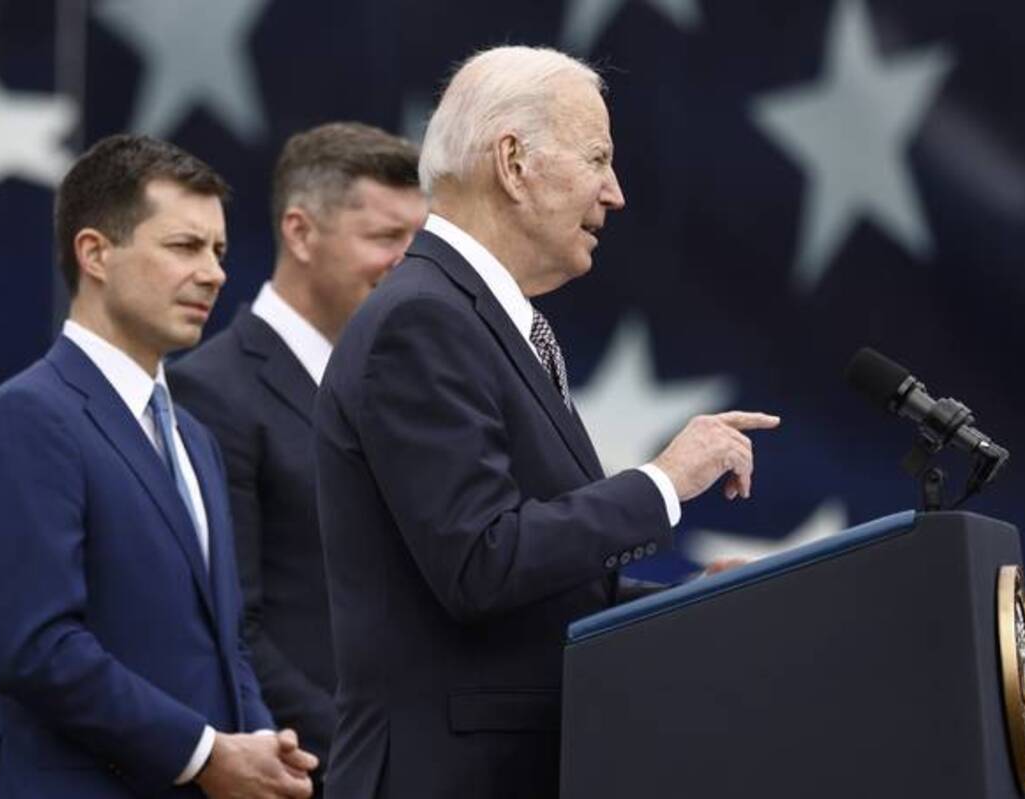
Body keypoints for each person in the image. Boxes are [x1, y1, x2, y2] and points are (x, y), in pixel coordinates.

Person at [312, 46, 780, 799]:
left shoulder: (479, 320)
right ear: (513, 162)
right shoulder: (422, 321)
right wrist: (661, 481)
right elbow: (480, 561)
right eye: (597, 157)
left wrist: (690, 600)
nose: (615, 193)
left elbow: (535, 593)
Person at [0, 134, 317, 798]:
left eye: (219, 251)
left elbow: (225, 642)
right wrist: (207, 755)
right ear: (94, 252)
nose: (213, 272)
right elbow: (38, 648)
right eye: (184, 246)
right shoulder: (28, 418)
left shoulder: (195, 438)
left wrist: (265, 750)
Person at [169, 122, 427, 796]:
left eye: (417, 241)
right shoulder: (212, 389)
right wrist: (370, 757)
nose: (409, 262)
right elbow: (232, 627)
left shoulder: (407, 387)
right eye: (384, 238)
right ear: (300, 232)